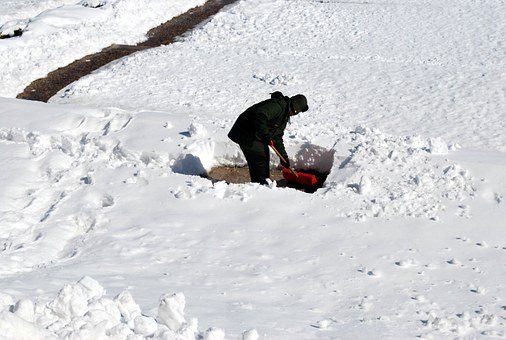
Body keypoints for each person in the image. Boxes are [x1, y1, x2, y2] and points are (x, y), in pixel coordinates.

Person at [228, 92, 309, 185]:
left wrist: (283, 157)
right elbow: (260, 115)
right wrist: (265, 135)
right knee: (259, 156)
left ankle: (264, 182)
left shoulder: (284, 115)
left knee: (264, 154)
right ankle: (259, 185)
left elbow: (277, 137)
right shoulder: (277, 106)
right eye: (294, 111)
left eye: (295, 113)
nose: (293, 114)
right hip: (245, 132)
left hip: (255, 134)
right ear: (292, 105)